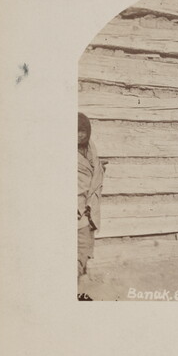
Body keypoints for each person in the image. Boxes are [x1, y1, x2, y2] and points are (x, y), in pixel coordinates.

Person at [77, 112, 105, 299]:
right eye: (76, 131)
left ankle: (78, 291)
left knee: (84, 249)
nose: (80, 135)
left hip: (88, 209)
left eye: (83, 131)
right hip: (75, 209)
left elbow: (94, 172)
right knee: (75, 252)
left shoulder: (91, 149)